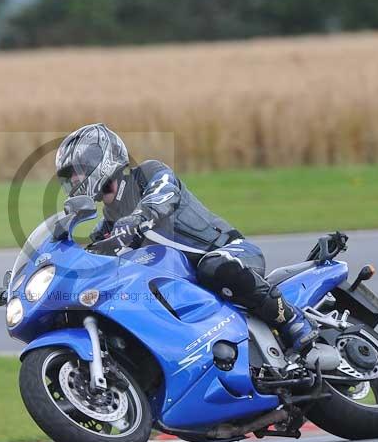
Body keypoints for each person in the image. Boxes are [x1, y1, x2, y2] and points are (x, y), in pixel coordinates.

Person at [55, 123, 318, 353]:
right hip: (185, 284)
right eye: (69, 177)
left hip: (230, 252)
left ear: (100, 161)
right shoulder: (108, 222)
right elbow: (90, 255)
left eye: (77, 172)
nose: (74, 180)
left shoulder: (147, 174)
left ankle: (292, 320)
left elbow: (164, 193)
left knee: (213, 267)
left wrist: (138, 219)